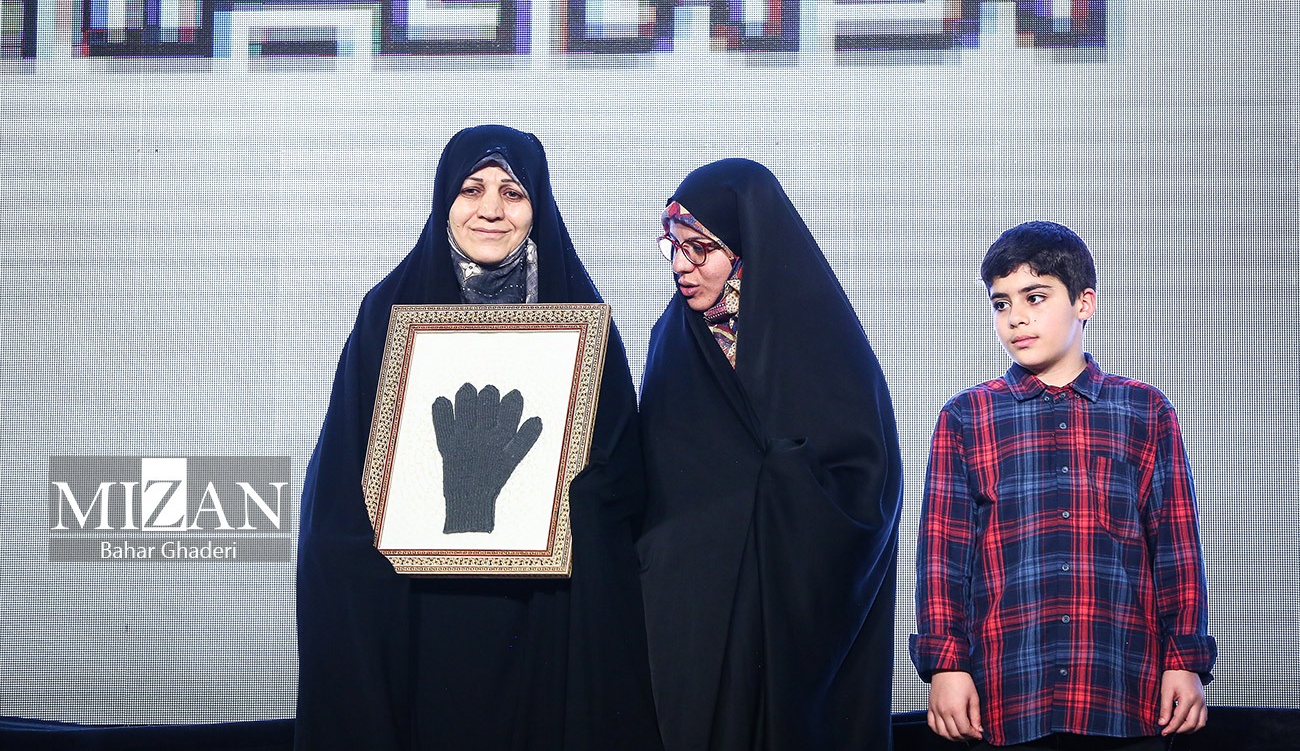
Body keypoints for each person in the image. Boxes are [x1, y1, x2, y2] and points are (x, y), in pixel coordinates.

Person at [295, 125, 662, 751]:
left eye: (512, 193)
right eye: (471, 189)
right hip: (418, 612)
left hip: (544, 613)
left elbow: (622, 474)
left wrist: (562, 502)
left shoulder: (579, 317)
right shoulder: (388, 312)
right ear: (445, 200)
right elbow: (343, 475)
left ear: (537, 207)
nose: (490, 209)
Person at [911, 220, 1216, 750]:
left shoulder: (1144, 410)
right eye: (1001, 303)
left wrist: (1184, 660)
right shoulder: (967, 417)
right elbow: (943, 555)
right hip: (1007, 694)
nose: (1016, 317)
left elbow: (1175, 547)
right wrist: (946, 666)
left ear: (1084, 302)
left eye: (1035, 297)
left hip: (1122, 689)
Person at [637, 158, 904, 750]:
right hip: (693, 611)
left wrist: (781, 486)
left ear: (747, 249)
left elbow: (868, 480)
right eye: (672, 247)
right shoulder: (672, 341)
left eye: (699, 249)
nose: (680, 266)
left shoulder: (821, 339)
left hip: (793, 610)